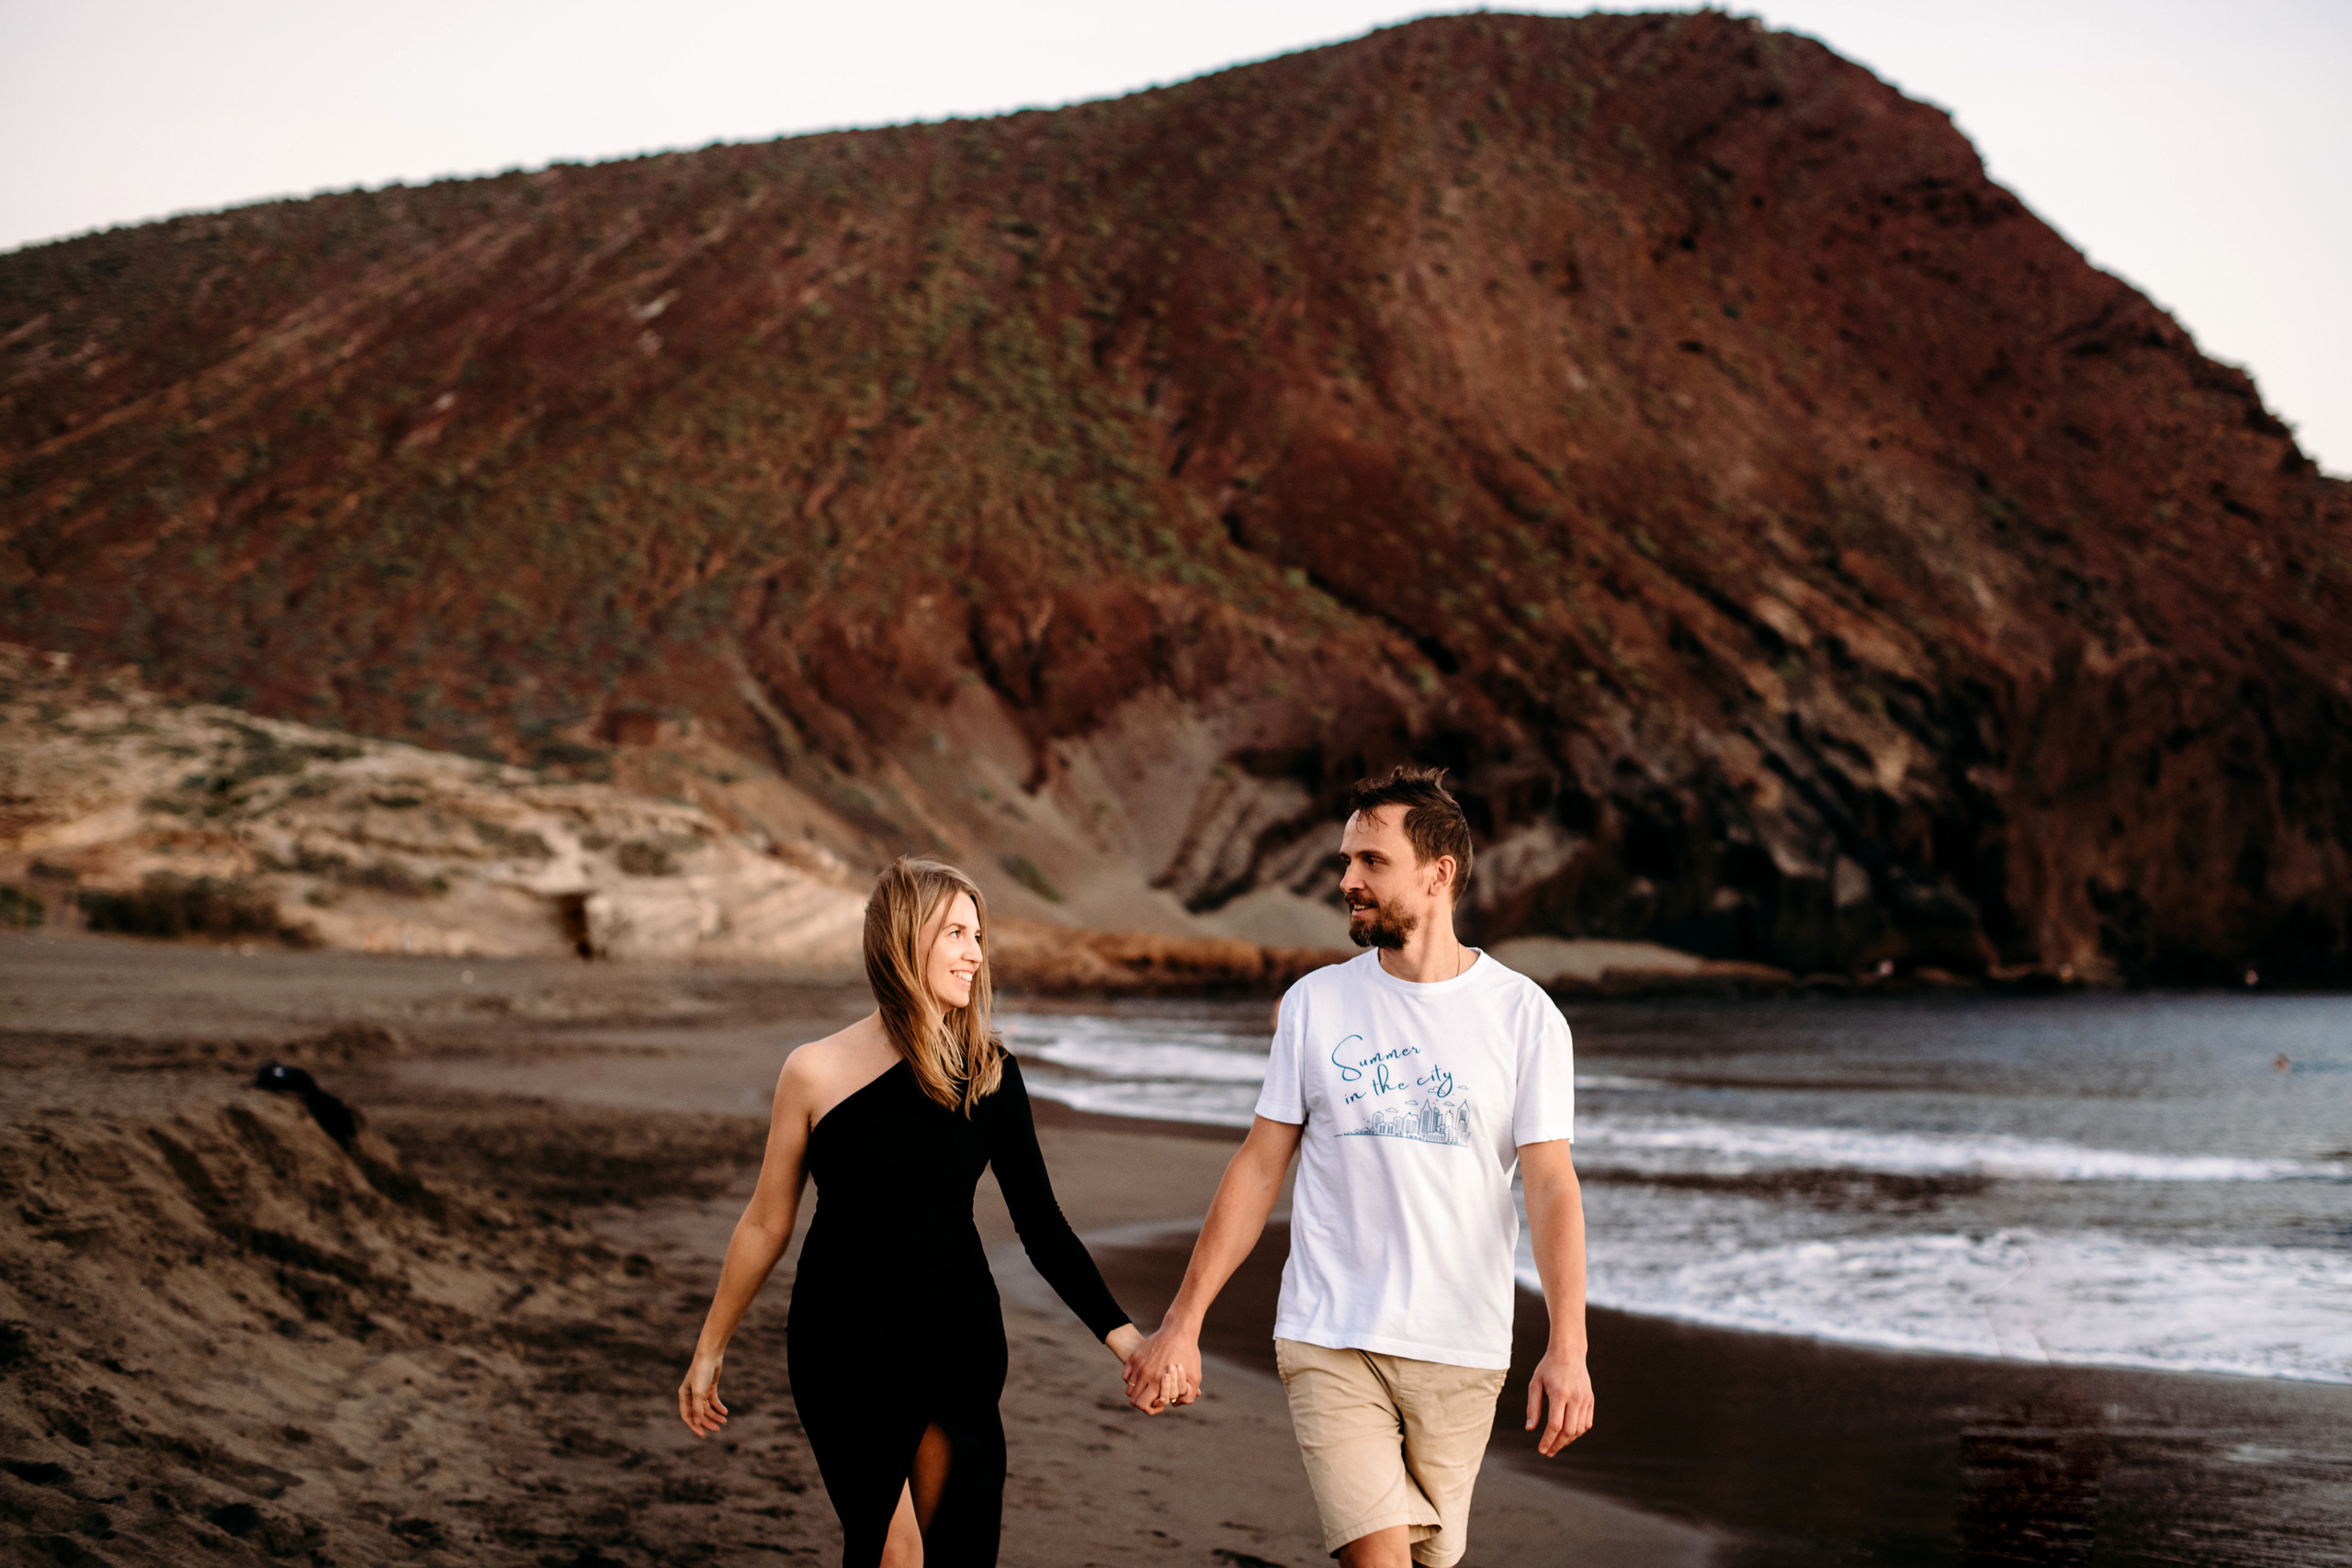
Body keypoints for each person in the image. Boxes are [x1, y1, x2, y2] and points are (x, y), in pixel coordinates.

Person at [1121, 766, 1594, 1568]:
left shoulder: (1525, 1017)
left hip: (1463, 1345)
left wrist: (1569, 1344)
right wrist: (1184, 1319)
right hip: (1329, 1332)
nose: (1347, 880)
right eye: (1347, 860)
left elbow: (1551, 1184)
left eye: (1371, 861)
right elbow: (1260, 1163)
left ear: (1438, 873)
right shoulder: (1315, 1004)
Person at [678, 855, 1181, 1567]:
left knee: (950, 1552)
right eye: (956, 933)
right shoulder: (812, 1069)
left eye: (979, 935)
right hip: (842, 1342)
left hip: (956, 1342)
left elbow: (1043, 1229)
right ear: (904, 938)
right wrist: (710, 1346)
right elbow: (765, 1221)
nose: (975, 953)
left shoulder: (991, 1073)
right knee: (895, 1553)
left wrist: (1129, 1343)